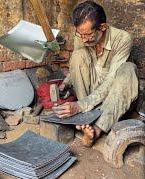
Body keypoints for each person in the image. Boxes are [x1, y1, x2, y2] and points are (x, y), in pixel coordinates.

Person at [52, 1, 138, 147]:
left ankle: (96, 130)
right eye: (81, 35)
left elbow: (111, 80)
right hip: (90, 98)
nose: (84, 39)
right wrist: (66, 83)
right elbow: (77, 64)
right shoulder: (82, 35)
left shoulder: (123, 39)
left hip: (113, 98)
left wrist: (80, 105)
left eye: (89, 35)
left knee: (129, 68)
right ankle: (84, 119)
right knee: (78, 55)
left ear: (102, 27)